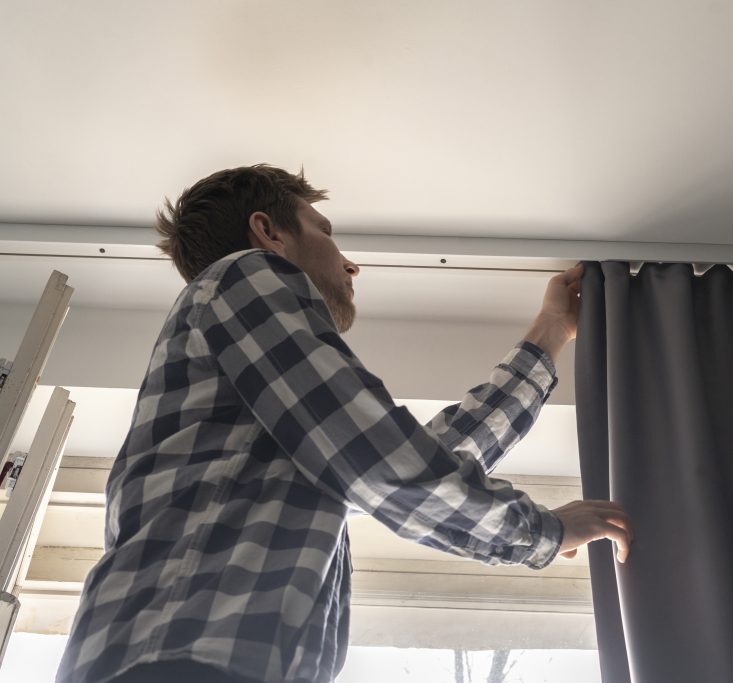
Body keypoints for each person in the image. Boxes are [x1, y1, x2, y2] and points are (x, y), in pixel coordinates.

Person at [56, 164, 634, 683]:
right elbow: (382, 464)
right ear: (269, 231)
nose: (350, 262)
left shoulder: (270, 443)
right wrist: (543, 531)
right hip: (175, 664)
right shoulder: (244, 274)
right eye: (327, 232)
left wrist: (550, 335)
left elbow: (410, 459)